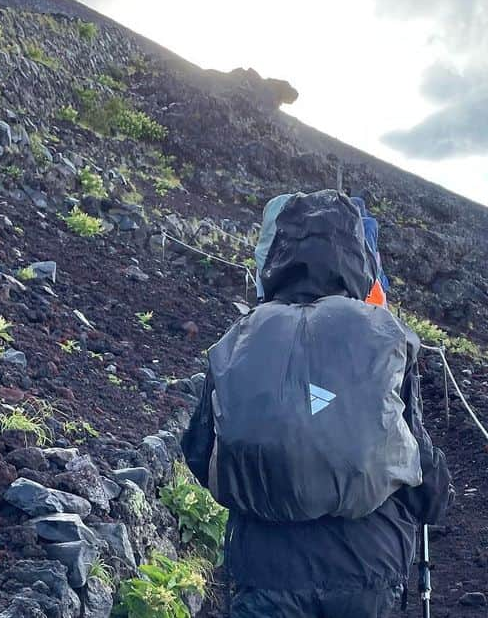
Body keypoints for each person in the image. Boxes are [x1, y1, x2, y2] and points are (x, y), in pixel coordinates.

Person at [183, 190, 453, 618]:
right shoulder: (384, 337)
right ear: (358, 256)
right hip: (368, 565)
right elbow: (418, 466)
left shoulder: (242, 337)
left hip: (264, 566)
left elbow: (200, 452)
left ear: (275, 254)